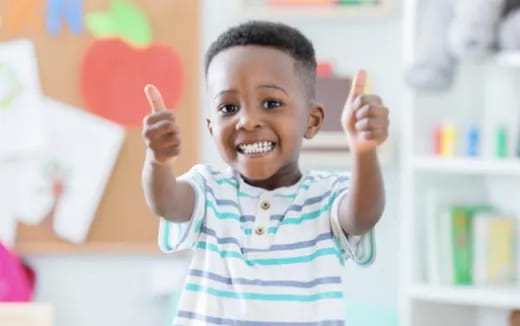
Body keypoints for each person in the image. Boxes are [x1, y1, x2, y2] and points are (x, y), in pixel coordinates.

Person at [142, 20, 389, 325]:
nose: (247, 121)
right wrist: (158, 161)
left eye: (271, 103)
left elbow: (363, 215)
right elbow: (167, 202)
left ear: (311, 121)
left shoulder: (328, 195)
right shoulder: (208, 189)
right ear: (211, 128)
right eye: (228, 108)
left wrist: (364, 152)